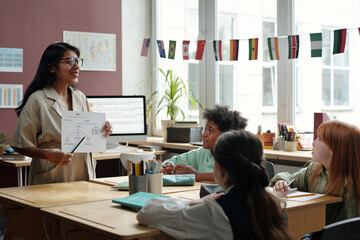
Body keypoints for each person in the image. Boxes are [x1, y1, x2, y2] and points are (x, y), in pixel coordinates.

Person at [137, 130, 290, 240]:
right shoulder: (273, 204)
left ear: (220, 169)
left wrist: (195, 202)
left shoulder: (215, 211)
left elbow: (146, 213)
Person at [11, 42, 112, 185]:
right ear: (52, 67)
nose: (76, 66)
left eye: (78, 61)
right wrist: (46, 154)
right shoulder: (38, 99)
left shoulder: (80, 97)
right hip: (52, 173)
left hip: (83, 171)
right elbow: (19, 144)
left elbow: (86, 135)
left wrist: (102, 130)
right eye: (70, 61)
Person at [270, 120, 360, 224]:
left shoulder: (350, 182)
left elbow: (349, 227)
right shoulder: (314, 169)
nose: (313, 143)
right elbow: (290, 178)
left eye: (319, 139)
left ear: (334, 148)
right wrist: (281, 181)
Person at [162, 105, 247, 182]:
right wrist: (168, 166)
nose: (204, 135)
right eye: (205, 129)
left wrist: (198, 176)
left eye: (210, 130)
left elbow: (236, 176)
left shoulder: (239, 154)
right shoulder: (202, 153)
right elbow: (171, 162)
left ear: (226, 135)